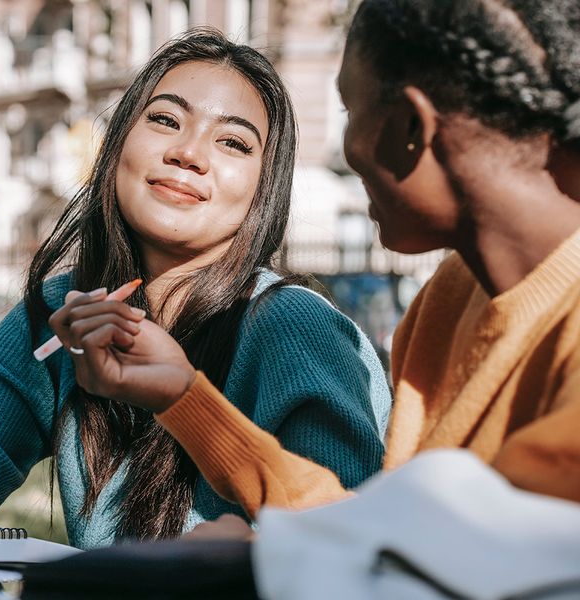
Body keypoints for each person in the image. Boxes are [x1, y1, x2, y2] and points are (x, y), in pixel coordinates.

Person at [0, 28, 392, 548]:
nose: (188, 153)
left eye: (233, 142)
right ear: (118, 145)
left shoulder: (292, 326)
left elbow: (343, 538)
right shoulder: (64, 312)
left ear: (265, 188)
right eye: (164, 120)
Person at [51, 0, 580, 524]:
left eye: (349, 111)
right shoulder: (450, 298)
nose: (344, 146)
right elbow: (386, 532)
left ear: (409, 128)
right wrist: (184, 397)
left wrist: (251, 564)